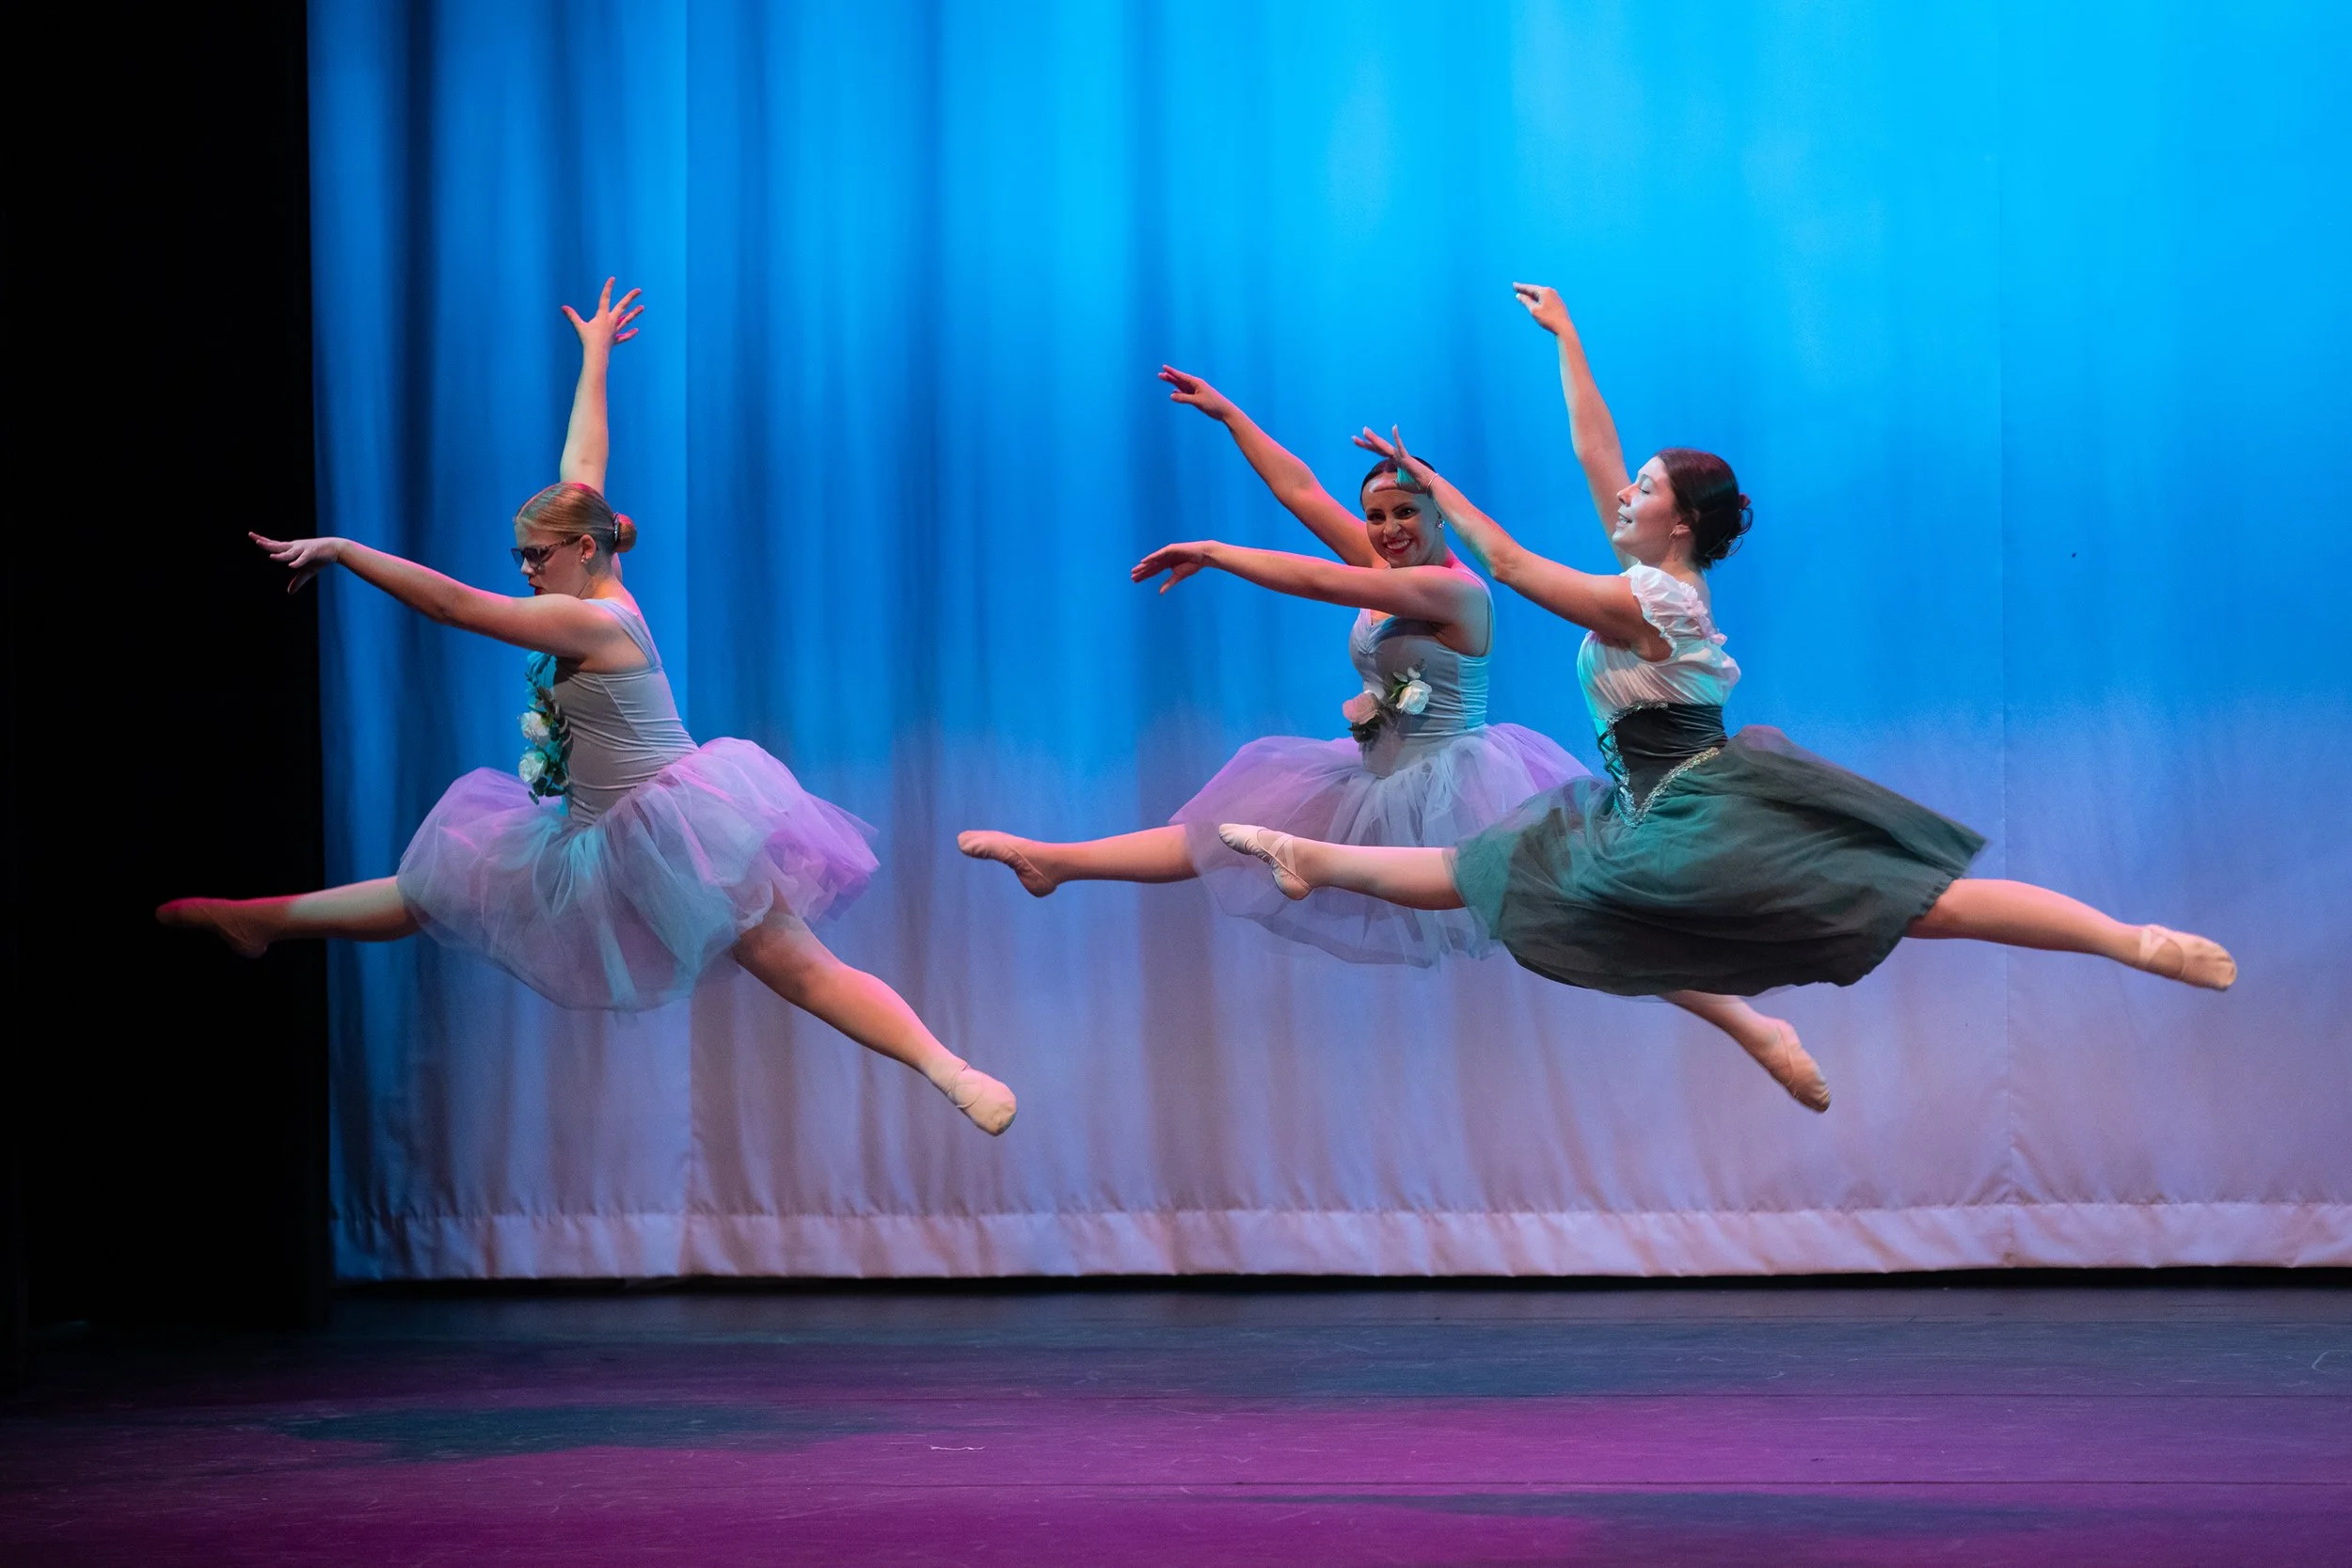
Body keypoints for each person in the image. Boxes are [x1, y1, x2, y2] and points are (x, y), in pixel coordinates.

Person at [1215, 283, 2234, 1109]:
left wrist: (1439, 491)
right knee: (1494, 868)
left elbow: (1516, 567)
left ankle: (2129, 941)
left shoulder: (1650, 597)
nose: (1624, 494)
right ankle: (1313, 858)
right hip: (1645, 802)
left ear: (1681, 522)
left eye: (1644, 491)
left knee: (1930, 906)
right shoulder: (1654, 569)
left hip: (1703, 804)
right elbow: (1594, 453)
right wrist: (1567, 338)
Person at [158, 280, 1016, 1135]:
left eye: (536, 556)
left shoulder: (594, 619)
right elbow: (584, 466)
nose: (525, 570)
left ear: (579, 550)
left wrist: (347, 550)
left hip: (676, 830)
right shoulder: (590, 563)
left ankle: (950, 1069)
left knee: (798, 969)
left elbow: (457, 607)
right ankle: (257, 920)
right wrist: (596, 355)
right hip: (593, 833)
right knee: (432, 887)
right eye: (518, 555)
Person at [958, 366, 1583, 968]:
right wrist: (1231, 417)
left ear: (1441, 511)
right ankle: (1058, 861)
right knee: (1225, 832)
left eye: (1406, 512)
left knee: (1563, 913)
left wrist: (1213, 550)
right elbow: (1300, 490)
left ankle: (1668, 957)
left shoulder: (1456, 592)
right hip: (1375, 780)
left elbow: (1318, 580)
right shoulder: (1381, 567)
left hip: (1455, 790)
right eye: (1375, 516)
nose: (1388, 529)